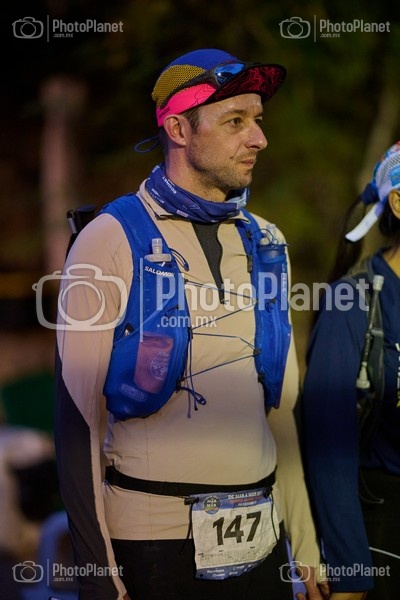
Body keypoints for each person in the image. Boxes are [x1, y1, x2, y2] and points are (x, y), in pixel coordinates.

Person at [55, 48, 327, 600]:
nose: (258, 139)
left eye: (257, 120)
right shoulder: (108, 238)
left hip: (263, 542)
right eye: (235, 121)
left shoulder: (267, 241)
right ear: (179, 129)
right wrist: (98, 575)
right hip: (153, 546)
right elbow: (77, 421)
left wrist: (307, 548)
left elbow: (282, 412)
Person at [301, 141, 400, 599]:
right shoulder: (352, 301)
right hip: (381, 532)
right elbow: (328, 443)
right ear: (397, 202)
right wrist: (350, 568)